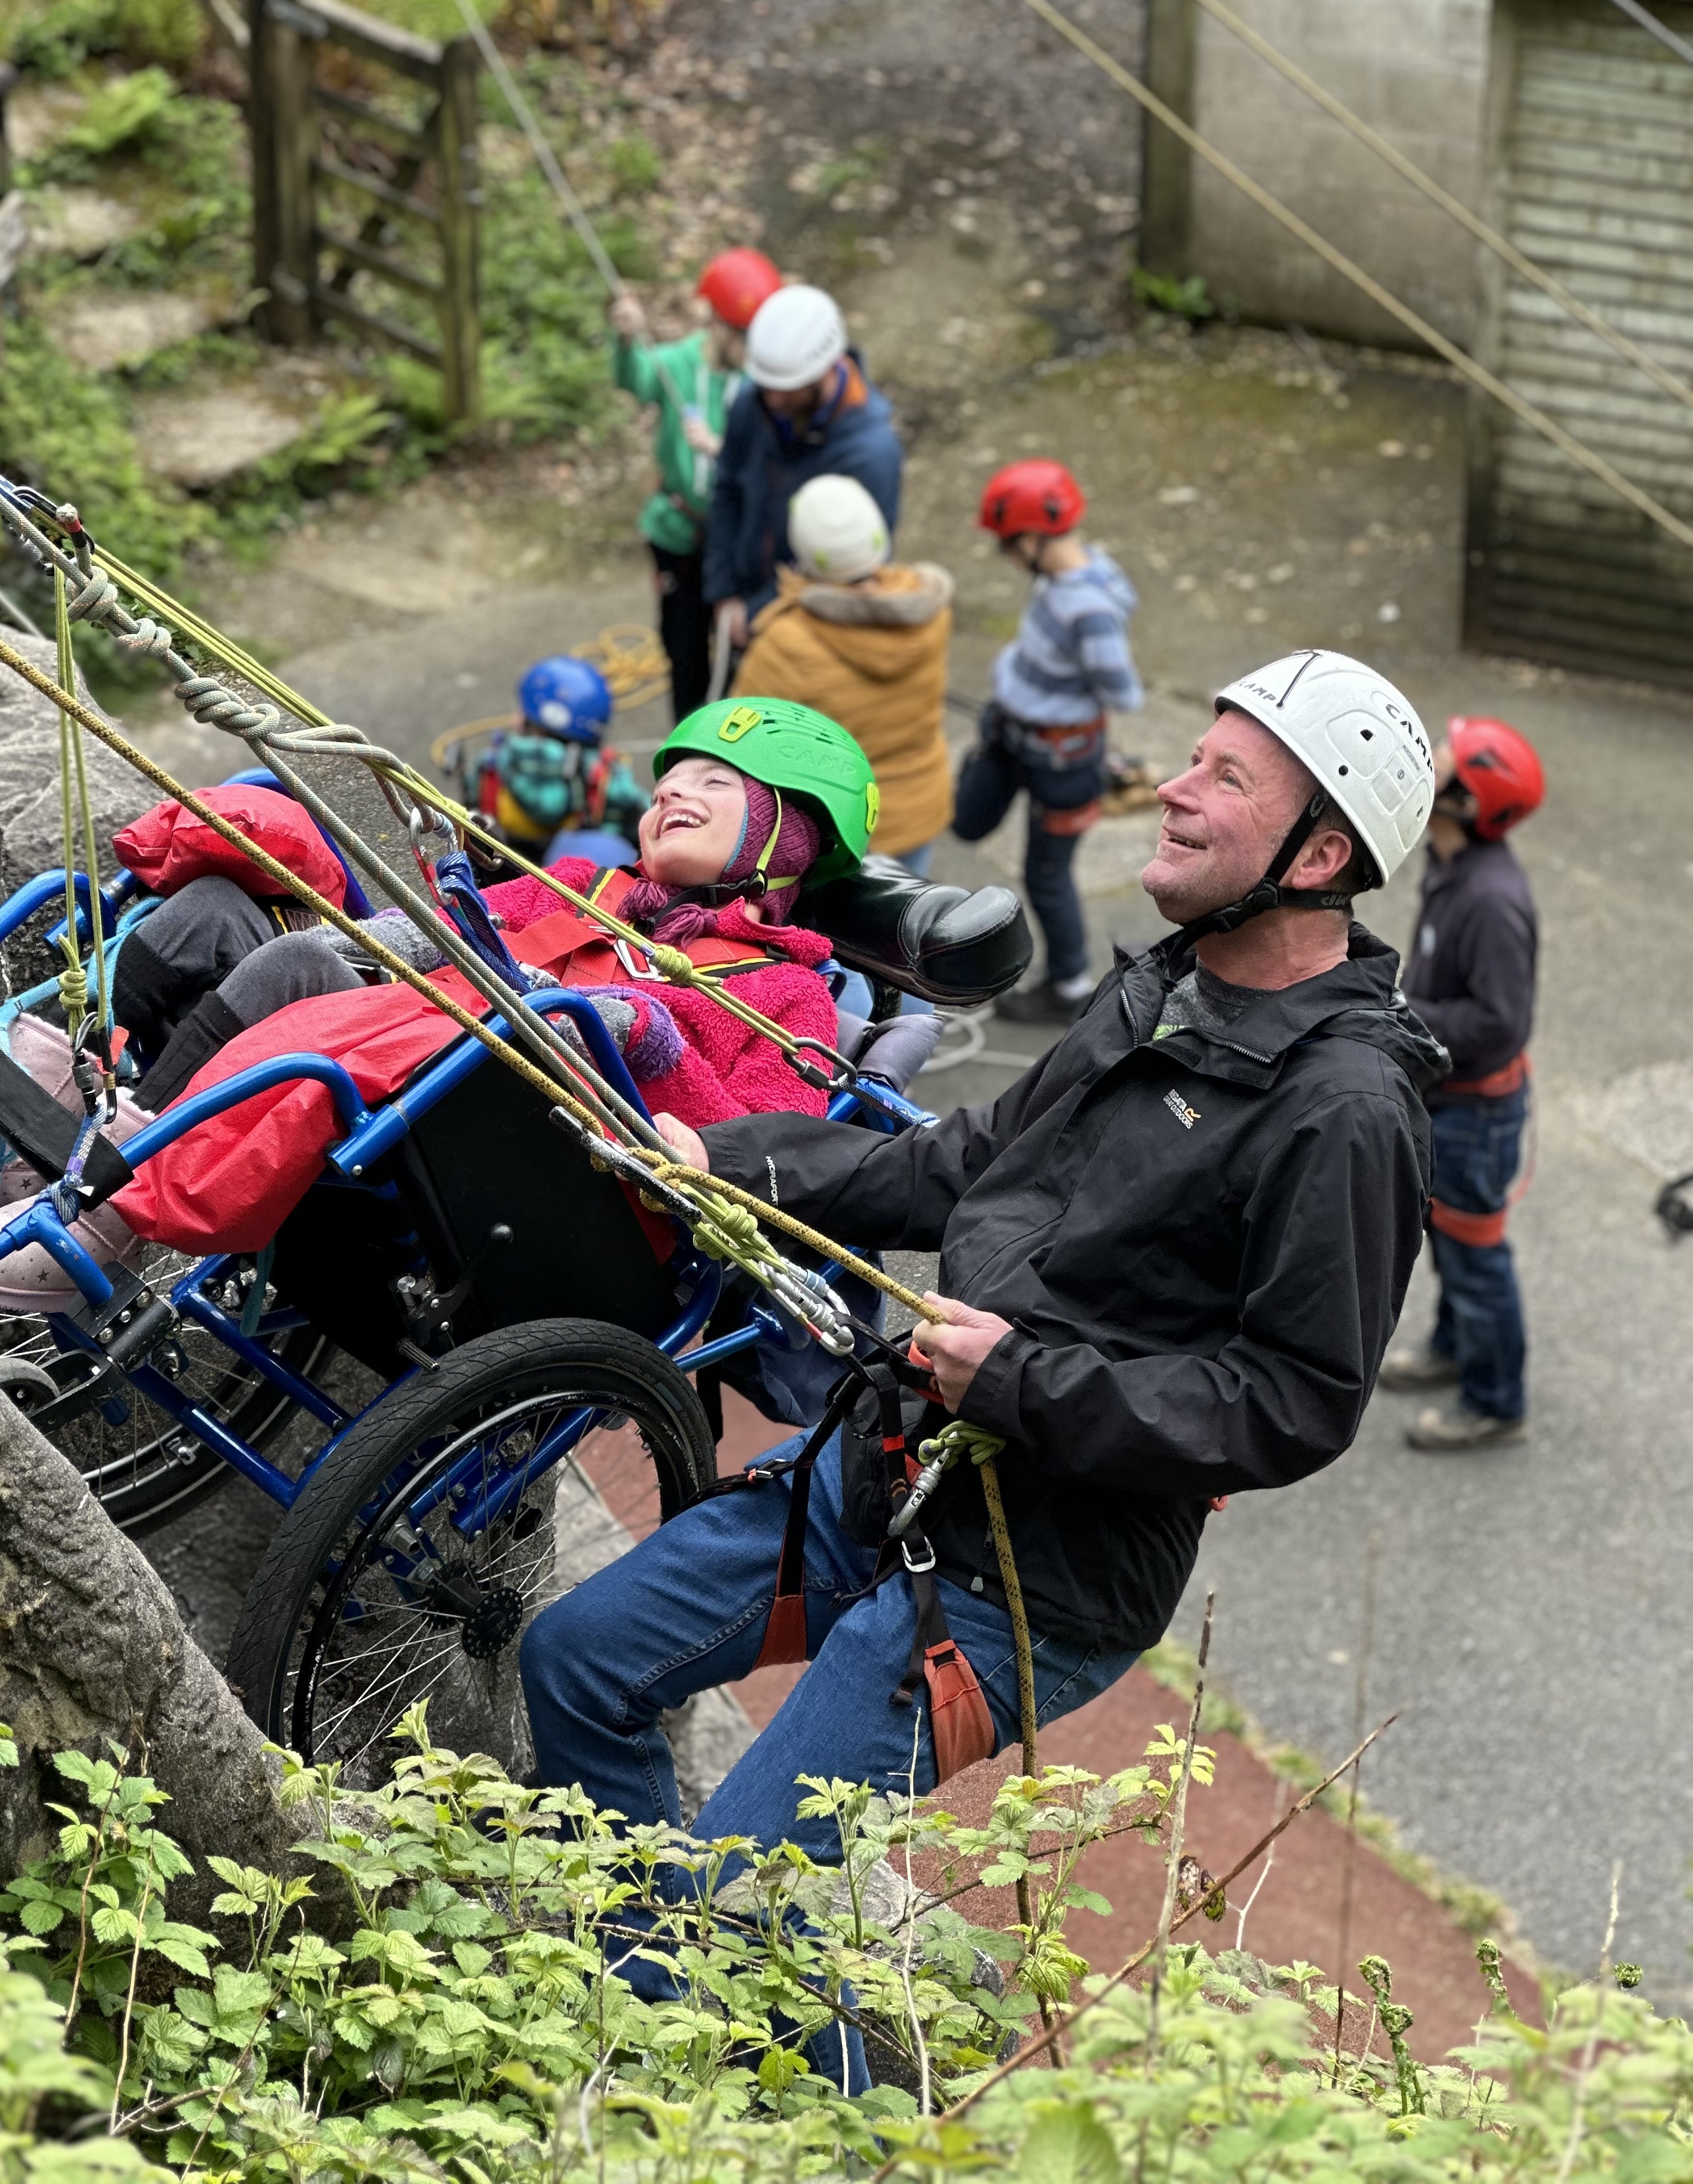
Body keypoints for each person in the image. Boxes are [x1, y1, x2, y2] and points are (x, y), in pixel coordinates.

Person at [522, 650, 1443, 1998]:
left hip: (1028, 1584)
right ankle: (646, 1994)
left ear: (1312, 860)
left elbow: (1293, 1401)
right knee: (576, 1662)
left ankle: (717, 2043)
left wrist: (1023, 1380)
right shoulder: (1164, 993)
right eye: (1194, 757)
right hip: (891, 1467)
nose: (1172, 791)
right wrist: (737, 1160)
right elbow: (969, 1163)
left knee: (730, 1907)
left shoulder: (1345, 1111)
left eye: (1224, 779)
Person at [0, 702, 895, 1299]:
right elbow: (440, 935)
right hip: (421, 1071)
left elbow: (763, 1153)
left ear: (786, 838)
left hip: (535, 1169)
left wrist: (651, 1040)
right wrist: (327, 894)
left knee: (309, 983)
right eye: (672, 777)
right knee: (217, 905)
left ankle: (100, 1218)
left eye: (717, 786)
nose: (675, 791)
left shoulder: (785, 994)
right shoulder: (582, 885)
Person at [1380, 715, 1543, 1452]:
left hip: (1476, 1116)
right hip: (1448, 1098)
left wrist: (1403, 1010)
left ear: (1466, 802)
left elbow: (1500, 1023)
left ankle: (1496, 1401)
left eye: (1439, 763)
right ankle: (1453, 1349)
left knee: (1477, 1258)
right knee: (1447, 1239)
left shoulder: (1491, 900)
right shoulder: (1450, 865)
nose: (1425, 765)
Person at [955, 458, 1142, 1025]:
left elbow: (1121, 688)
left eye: (1005, 545)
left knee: (1047, 876)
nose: (1004, 558)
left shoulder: (1088, 609)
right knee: (968, 818)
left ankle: (1069, 985)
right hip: (1013, 733)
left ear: (1034, 539)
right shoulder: (1059, 578)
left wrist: (1057, 694)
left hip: (1061, 759)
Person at [732, 476, 952, 872]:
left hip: (844, 833)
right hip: (920, 809)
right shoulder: (928, 609)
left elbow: (737, 742)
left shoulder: (786, 640)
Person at [612, 250, 782, 722]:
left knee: (738, 651)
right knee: (683, 650)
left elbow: (770, 454)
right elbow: (637, 377)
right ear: (718, 325)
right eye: (744, 336)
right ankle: (685, 753)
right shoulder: (680, 364)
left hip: (736, 538)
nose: (752, 348)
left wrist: (719, 448)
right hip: (679, 532)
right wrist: (627, 337)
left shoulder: (762, 380)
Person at [703, 285, 901, 679]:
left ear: (824, 369)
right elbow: (727, 490)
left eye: (787, 389)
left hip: (808, 633)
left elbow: (848, 567)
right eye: (767, 386)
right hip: (738, 605)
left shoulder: (869, 454)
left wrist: (759, 613)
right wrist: (722, 592)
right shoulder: (754, 402)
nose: (774, 399)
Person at [445, 655, 649, 868]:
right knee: (609, 849)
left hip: (502, 875)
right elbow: (643, 818)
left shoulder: (489, 764)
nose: (515, 719)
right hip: (575, 881)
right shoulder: (605, 776)